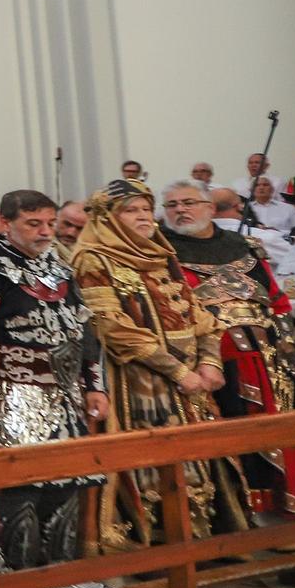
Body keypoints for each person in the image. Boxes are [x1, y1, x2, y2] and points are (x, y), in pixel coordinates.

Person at [72, 179, 250, 547]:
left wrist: (210, 362)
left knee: (200, 457)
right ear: (108, 218)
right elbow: (111, 326)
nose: (143, 217)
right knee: (152, 462)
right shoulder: (93, 258)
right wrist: (178, 370)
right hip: (138, 378)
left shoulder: (159, 253)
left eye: (145, 209)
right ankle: (159, 547)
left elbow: (199, 313)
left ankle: (205, 542)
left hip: (191, 381)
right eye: (131, 210)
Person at [160, 180, 295, 522]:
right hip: (207, 359)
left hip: (266, 354)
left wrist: (285, 343)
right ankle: (234, 522)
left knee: (276, 432)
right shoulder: (159, 251)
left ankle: (282, 522)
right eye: (171, 205)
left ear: (210, 208)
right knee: (226, 440)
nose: (180, 210)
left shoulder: (246, 246)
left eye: (188, 202)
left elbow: (276, 299)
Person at [0, 192, 108, 572]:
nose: (45, 232)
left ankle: (62, 571)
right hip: (13, 391)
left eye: (50, 224)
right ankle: (19, 576)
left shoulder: (61, 266)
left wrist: (95, 385)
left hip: (66, 393)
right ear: (6, 223)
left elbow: (84, 328)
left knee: (67, 480)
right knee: (22, 483)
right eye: (33, 224)